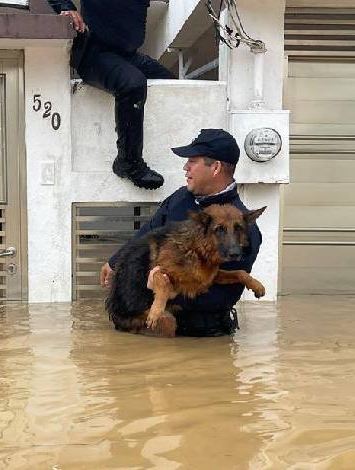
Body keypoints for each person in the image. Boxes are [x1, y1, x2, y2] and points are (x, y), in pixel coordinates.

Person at [100, 129, 263, 336]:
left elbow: (222, 297)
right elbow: (149, 231)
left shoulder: (242, 229)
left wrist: (166, 291)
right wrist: (114, 261)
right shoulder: (180, 197)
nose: (185, 168)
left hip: (201, 337)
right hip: (150, 324)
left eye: (192, 161)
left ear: (215, 167)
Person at [47, 0, 175, 190]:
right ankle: (128, 161)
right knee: (132, 84)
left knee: (170, 81)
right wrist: (66, 7)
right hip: (94, 53)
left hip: (129, 55)